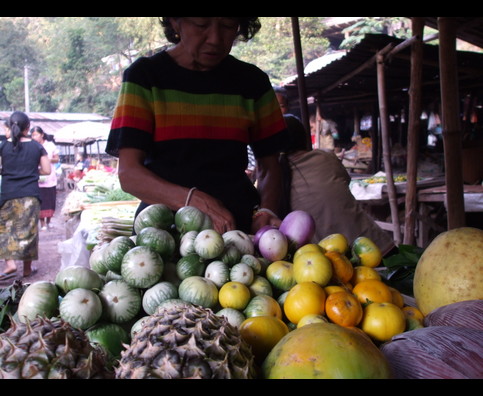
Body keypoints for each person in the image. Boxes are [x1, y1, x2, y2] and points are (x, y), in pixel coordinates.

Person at [106, 17, 287, 235]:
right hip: (163, 231)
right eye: (201, 24)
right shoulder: (144, 77)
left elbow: (270, 167)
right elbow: (129, 174)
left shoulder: (253, 82)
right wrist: (194, 201)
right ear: (175, 23)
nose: (215, 39)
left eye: (228, 26)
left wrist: (266, 210)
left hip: (238, 231)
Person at [276, 98, 396, 256]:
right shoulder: (325, 157)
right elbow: (346, 182)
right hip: (372, 246)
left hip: (326, 260)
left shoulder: (277, 174)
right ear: (305, 138)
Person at [0, 112, 51, 280]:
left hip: (8, 193)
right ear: (28, 127)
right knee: (28, 231)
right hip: (30, 194)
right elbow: (47, 170)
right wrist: (30, 171)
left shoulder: (3, 146)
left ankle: (10, 264)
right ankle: (27, 270)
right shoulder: (37, 146)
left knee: (6, 229)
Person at [31, 126, 60, 230]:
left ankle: (49, 221)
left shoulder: (50, 145)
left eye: (36, 134)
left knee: (50, 200)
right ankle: (42, 224)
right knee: (41, 201)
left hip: (50, 177)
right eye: (33, 135)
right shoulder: (32, 146)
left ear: (42, 134)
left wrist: (47, 160)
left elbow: (56, 159)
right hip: (38, 177)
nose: (34, 137)